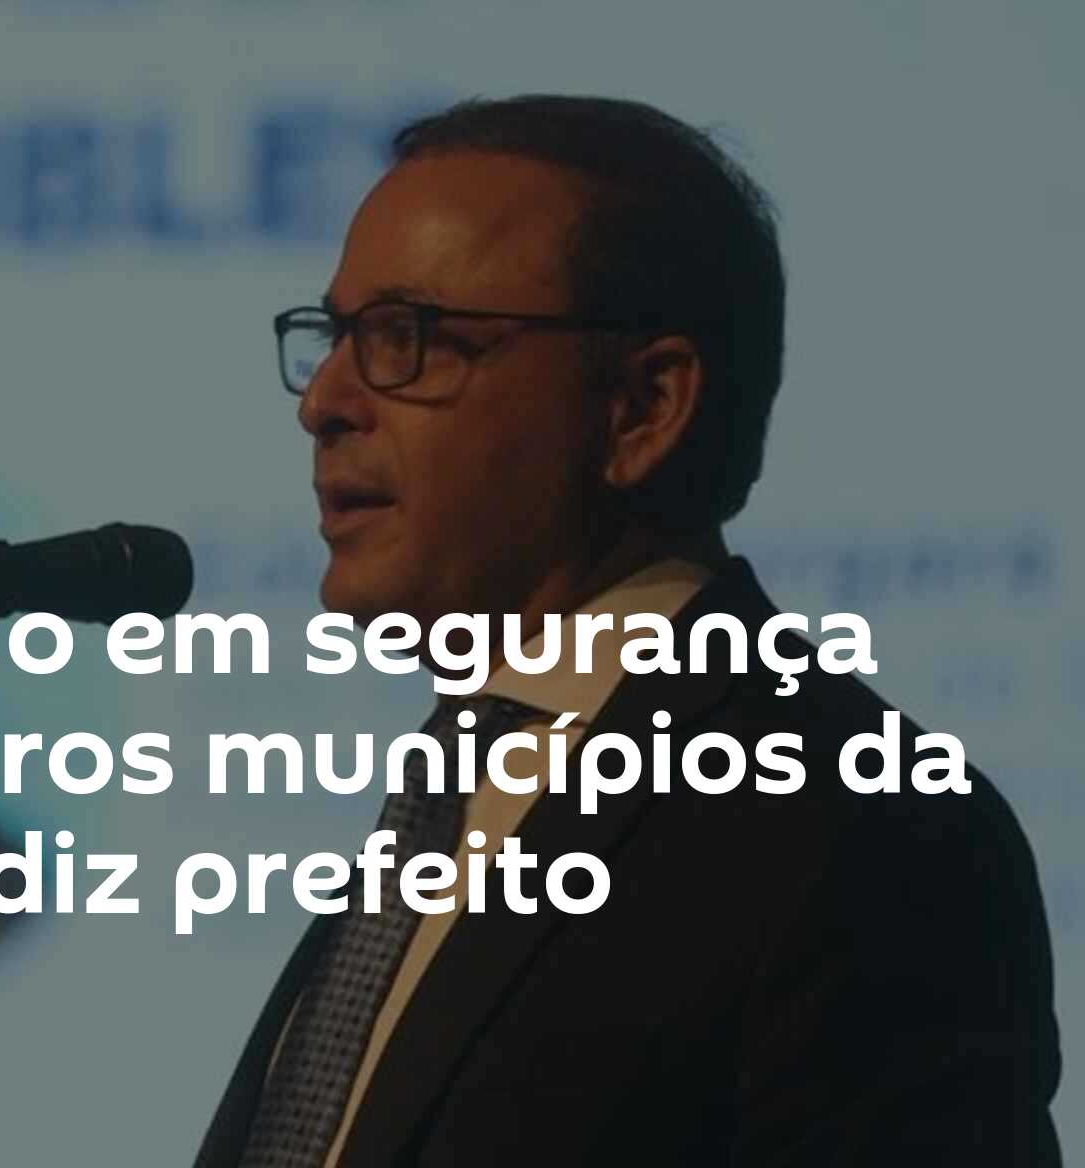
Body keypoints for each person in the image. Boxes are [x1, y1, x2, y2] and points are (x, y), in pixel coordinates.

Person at [195, 95, 1059, 1167]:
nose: (323, 402)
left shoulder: (866, 831)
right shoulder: (449, 797)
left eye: (403, 339)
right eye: (334, 336)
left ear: (644, 408)